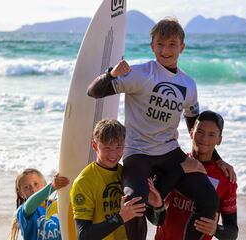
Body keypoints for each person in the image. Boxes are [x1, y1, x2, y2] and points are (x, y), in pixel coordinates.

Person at [87, 17, 235, 240]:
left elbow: (193, 128)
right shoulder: (140, 74)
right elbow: (94, 92)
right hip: (138, 153)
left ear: (182, 47)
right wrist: (111, 74)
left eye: (172, 44)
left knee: (209, 199)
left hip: (169, 153)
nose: (166, 50)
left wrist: (217, 158)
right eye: (160, 44)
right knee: (134, 203)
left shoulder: (188, 85)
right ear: (152, 46)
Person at [70, 119, 163, 240]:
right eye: (107, 148)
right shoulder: (83, 182)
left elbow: (157, 222)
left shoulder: (129, 174)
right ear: (94, 146)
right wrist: (120, 217)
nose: (113, 154)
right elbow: (83, 236)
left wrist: (157, 206)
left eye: (119, 147)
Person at [154, 110, 238, 240]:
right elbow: (154, 211)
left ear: (219, 140)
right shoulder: (175, 163)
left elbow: (232, 231)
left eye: (211, 134)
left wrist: (216, 229)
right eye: (200, 132)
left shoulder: (225, 178)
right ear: (191, 132)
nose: (204, 139)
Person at [10, 168, 70, 240]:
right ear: (20, 193)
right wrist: (52, 186)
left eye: (36, 184)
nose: (33, 189)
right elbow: (31, 203)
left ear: (44, 185)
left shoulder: (58, 205)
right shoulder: (24, 211)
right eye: (26, 187)